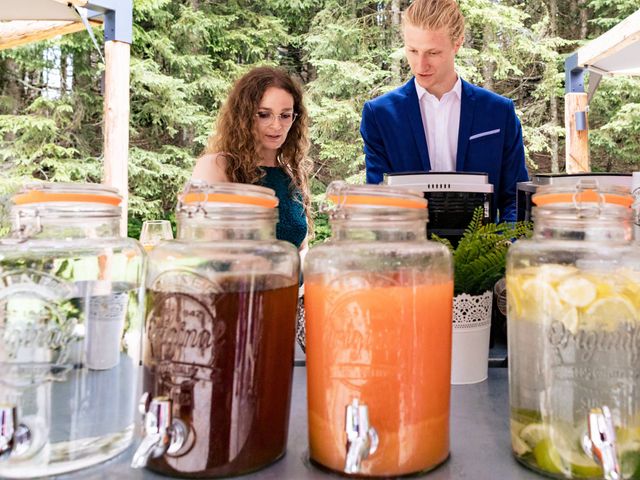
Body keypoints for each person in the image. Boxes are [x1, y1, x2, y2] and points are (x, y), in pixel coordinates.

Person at [360, 0, 528, 222]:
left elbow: (515, 200)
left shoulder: (499, 112)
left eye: (433, 53)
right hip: (409, 252)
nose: (420, 65)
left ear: (457, 44)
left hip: (488, 253)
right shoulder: (379, 115)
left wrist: (504, 246)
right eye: (412, 50)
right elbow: (379, 202)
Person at [192, 66, 312, 250]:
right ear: (244, 116)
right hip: (236, 279)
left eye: (285, 115)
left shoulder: (291, 173)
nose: (277, 125)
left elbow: (301, 249)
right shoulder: (215, 167)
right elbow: (202, 247)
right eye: (264, 114)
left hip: (295, 279)